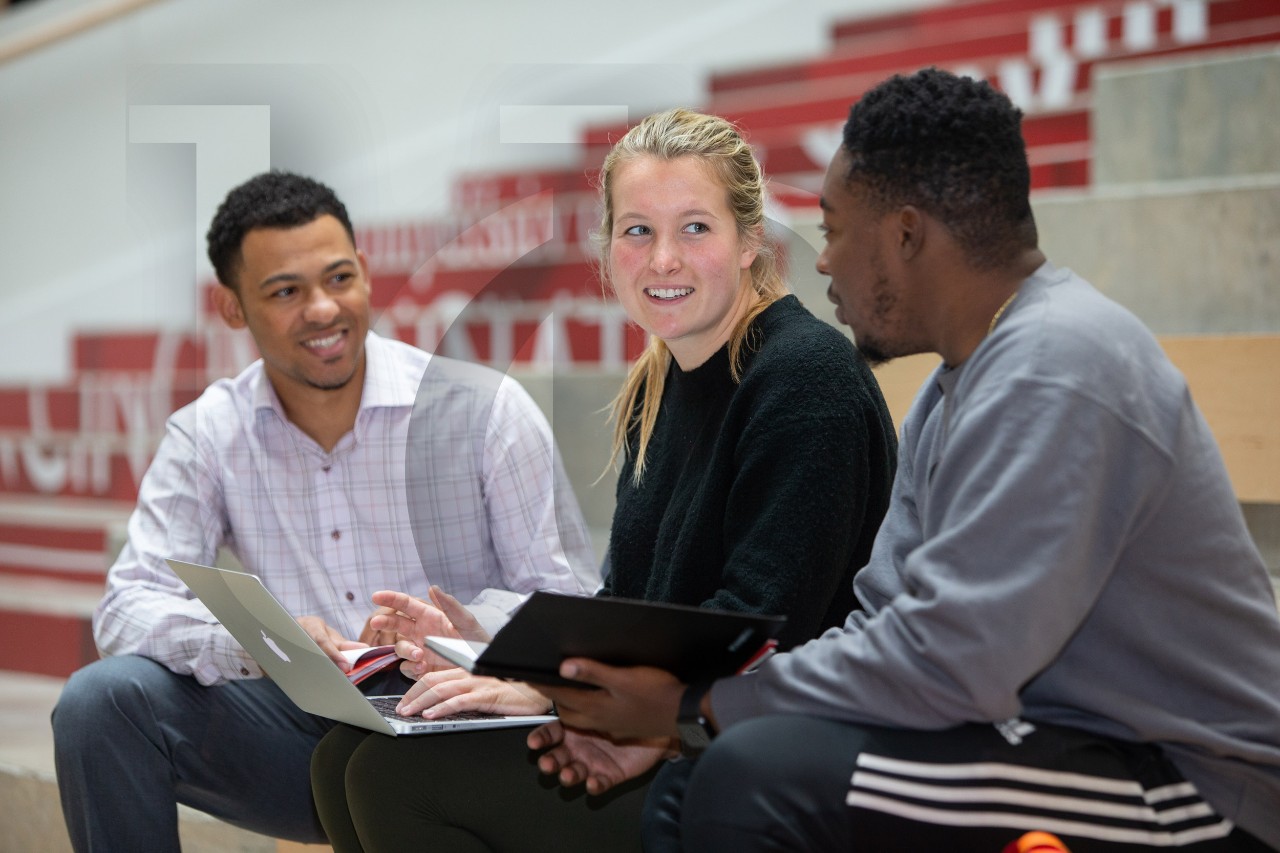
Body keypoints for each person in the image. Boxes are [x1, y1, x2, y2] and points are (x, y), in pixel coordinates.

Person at [530, 69, 1280, 852]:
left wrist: (698, 704)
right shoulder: (957, 386)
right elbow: (884, 620)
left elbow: (958, 660)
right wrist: (693, 719)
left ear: (906, 235)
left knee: (751, 778)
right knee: (703, 773)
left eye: (835, 230)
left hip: (1194, 783)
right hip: (1047, 738)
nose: (822, 265)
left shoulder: (1057, 362)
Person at [309, 107, 899, 852]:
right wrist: (491, 647)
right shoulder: (662, 383)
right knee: (338, 758)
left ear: (751, 239)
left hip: (759, 755)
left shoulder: (804, 380)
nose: (662, 261)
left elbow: (753, 629)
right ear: (608, 247)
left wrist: (551, 693)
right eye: (638, 231)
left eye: (695, 227)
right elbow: (632, 609)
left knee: (394, 778)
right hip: (667, 723)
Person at [50, 170, 598, 852]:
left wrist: (463, 630)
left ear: (366, 272)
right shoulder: (210, 432)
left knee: (384, 765)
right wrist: (262, 639)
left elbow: (571, 604)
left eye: (339, 278)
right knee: (100, 702)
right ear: (232, 307)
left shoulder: (483, 410)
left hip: (463, 726)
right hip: (300, 731)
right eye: (285, 291)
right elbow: (128, 605)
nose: (322, 309)